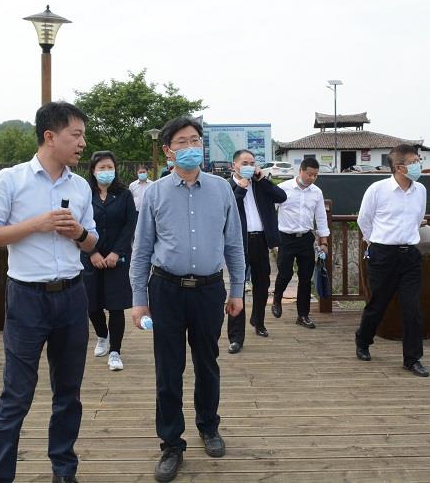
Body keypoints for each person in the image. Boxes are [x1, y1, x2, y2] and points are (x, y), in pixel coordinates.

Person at [0, 101, 98, 483]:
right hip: (27, 298)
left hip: (72, 296)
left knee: (69, 393)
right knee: (17, 394)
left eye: (83, 135)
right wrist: (37, 224)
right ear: (50, 136)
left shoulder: (80, 186)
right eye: (76, 135)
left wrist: (78, 232)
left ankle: (64, 471)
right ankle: (0, 477)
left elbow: (92, 242)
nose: (82, 143)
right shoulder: (10, 180)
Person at [130, 116, 245, 482]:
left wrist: (237, 290)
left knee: (208, 363)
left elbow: (234, 243)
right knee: (168, 369)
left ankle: (209, 427)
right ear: (168, 150)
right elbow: (141, 249)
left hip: (210, 290)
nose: (191, 147)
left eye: (196, 140)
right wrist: (139, 299)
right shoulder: (155, 193)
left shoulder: (222, 189)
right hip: (165, 289)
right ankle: (171, 444)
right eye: (182, 141)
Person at [354, 144, 429, 378]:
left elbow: (418, 218)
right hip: (383, 254)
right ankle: (363, 340)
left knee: (412, 308)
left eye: (418, 160)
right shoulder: (377, 190)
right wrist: (376, 242)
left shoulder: (420, 190)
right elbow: (364, 220)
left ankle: (412, 359)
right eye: (413, 162)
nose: (418, 165)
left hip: (410, 255)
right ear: (399, 167)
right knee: (378, 304)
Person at [226, 149, 287, 353]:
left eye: (252, 163)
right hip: (238, 242)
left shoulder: (260, 183)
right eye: (245, 163)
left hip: (260, 240)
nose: (249, 167)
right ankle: (236, 337)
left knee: (262, 284)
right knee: (238, 287)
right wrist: (241, 188)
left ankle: (258, 321)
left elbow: (282, 196)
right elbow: (227, 209)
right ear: (234, 165)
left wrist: (263, 180)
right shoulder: (227, 186)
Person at [83, 150, 137, 371]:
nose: (107, 171)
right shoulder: (85, 194)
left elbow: (130, 225)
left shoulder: (124, 194)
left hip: (118, 258)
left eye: (110, 167)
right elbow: (79, 225)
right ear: (93, 171)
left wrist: (116, 252)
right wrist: (92, 252)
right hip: (90, 256)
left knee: (116, 306)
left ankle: (115, 351)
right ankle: (102, 335)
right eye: (102, 168)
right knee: (91, 304)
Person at [272, 157, 330, 328]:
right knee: (285, 273)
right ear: (301, 171)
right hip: (286, 238)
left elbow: (321, 217)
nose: (312, 178)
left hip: (306, 238)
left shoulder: (317, 192)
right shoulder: (283, 188)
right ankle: (277, 298)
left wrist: (324, 242)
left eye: (315, 175)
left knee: (305, 278)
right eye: (309, 174)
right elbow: (270, 211)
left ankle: (303, 315)